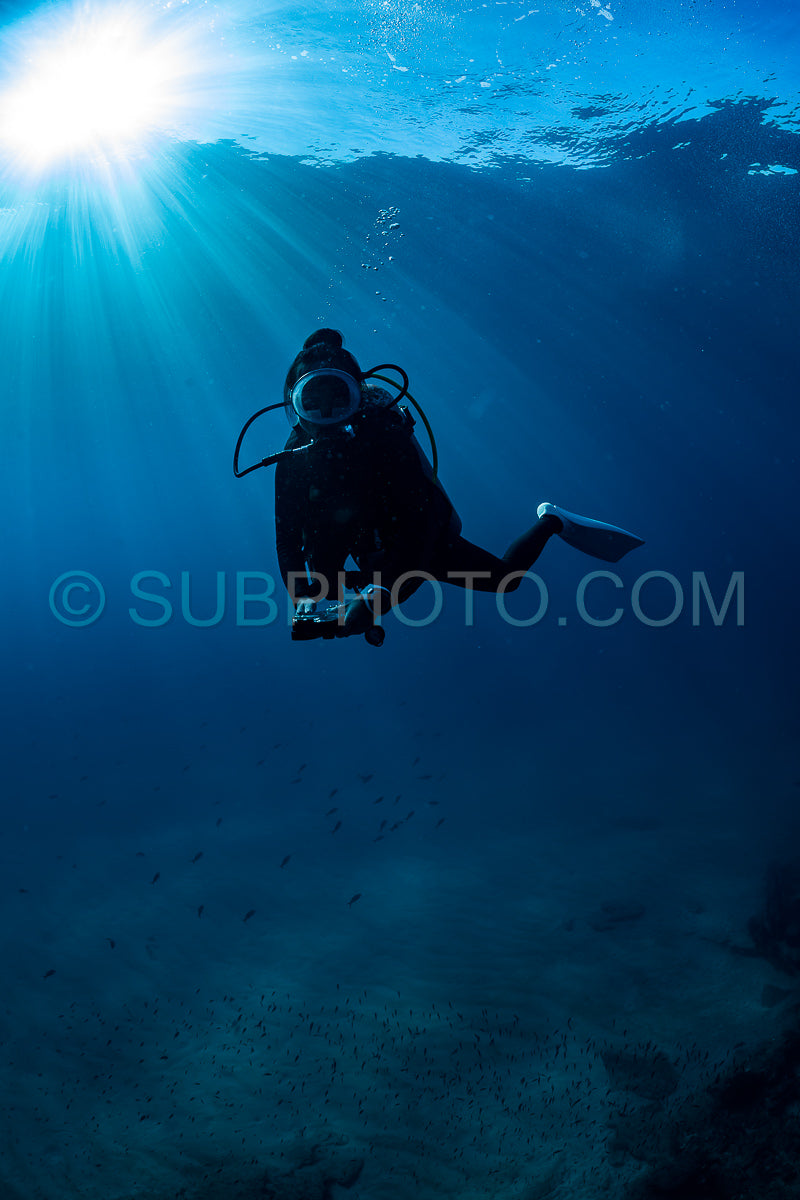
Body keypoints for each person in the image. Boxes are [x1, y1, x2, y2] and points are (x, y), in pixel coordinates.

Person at [271, 329, 644, 643]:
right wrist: (303, 595)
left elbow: (419, 527)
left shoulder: (384, 433)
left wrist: (376, 597)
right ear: (295, 404)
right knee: (319, 580)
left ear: (356, 395)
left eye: (338, 399)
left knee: (506, 581)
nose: (326, 417)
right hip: (360, 542)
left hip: (417, 533)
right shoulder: (294, 458)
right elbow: (287, 535)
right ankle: (355, 596)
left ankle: (552, 520)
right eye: (312, 403)